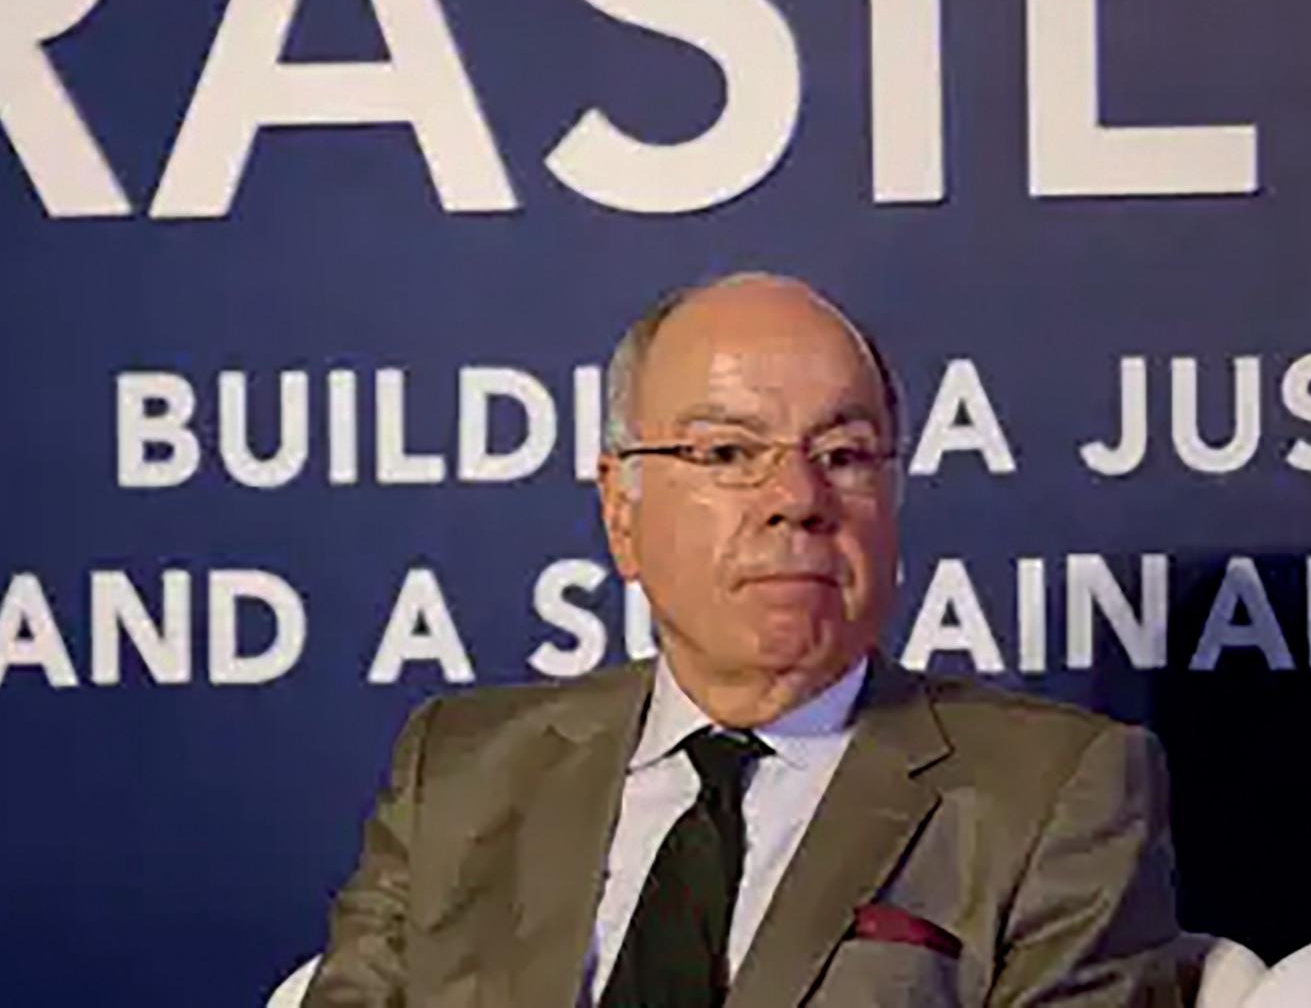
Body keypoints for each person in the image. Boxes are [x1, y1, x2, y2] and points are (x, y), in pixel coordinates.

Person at [303, 272, 1180, 1007]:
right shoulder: (461, 768)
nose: (797, 498)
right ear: (620, 512)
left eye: (844, 454)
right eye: (727, 453)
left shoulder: (1054, 794)